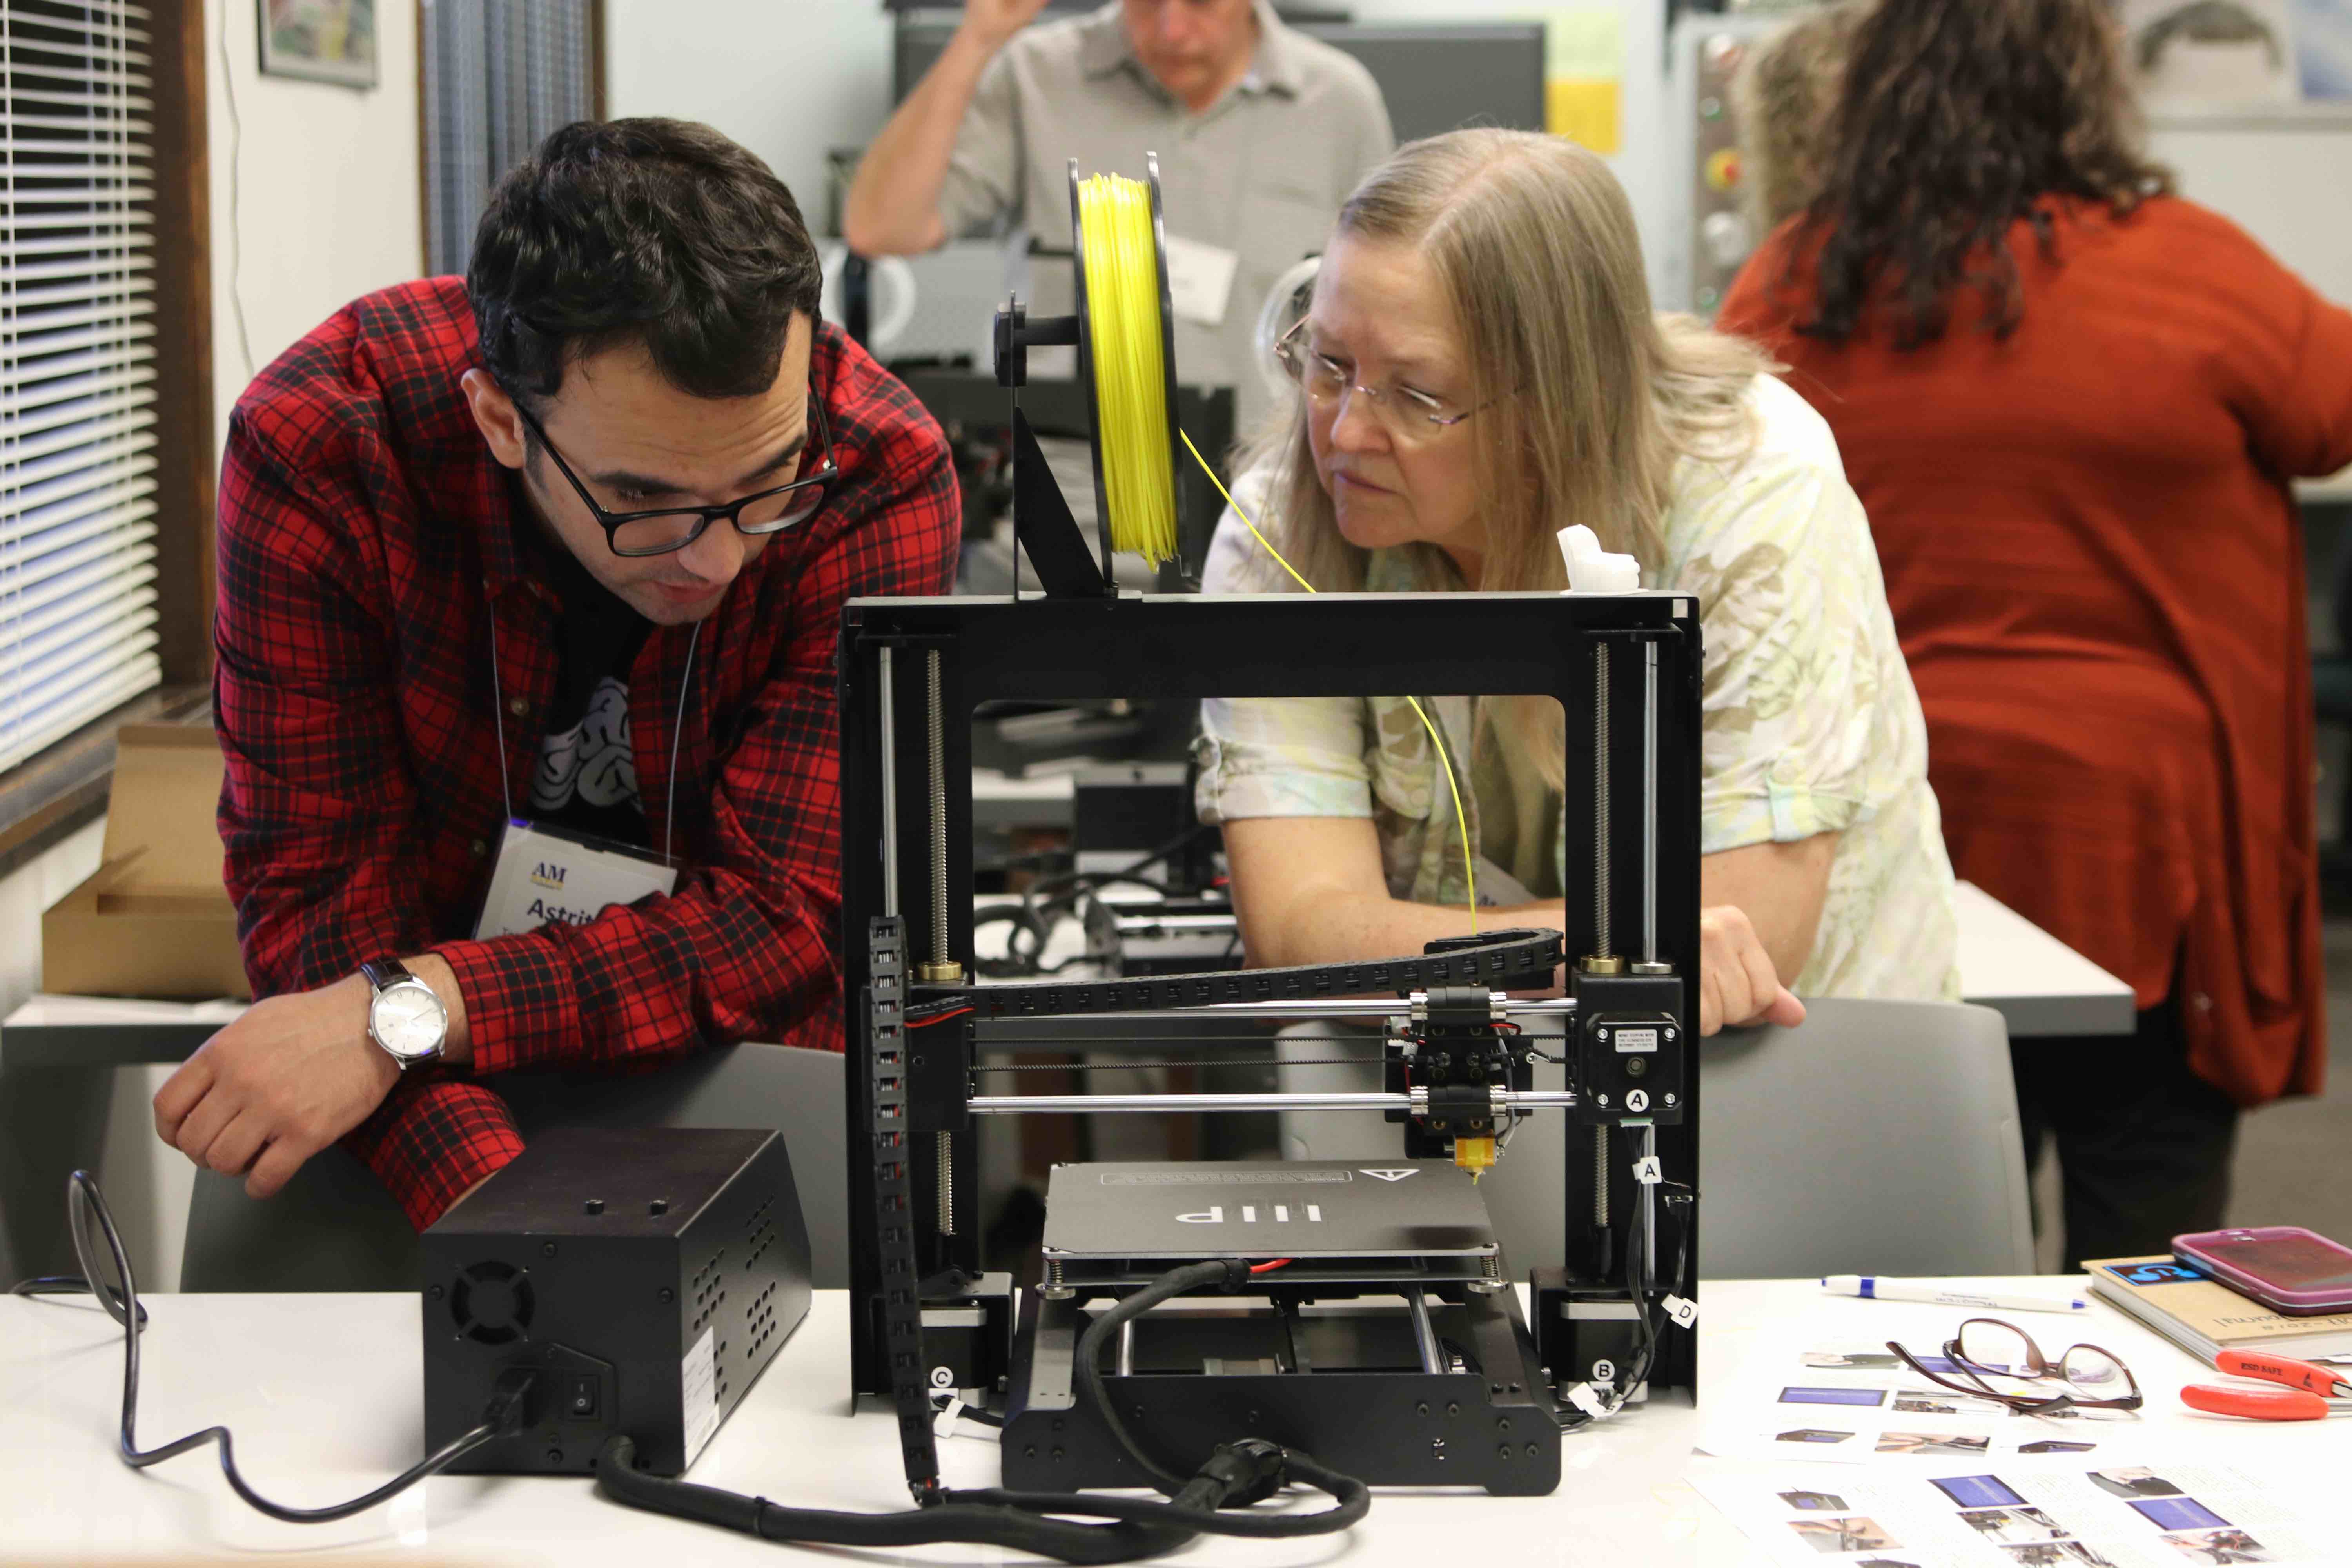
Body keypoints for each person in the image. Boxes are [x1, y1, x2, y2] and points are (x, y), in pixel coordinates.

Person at [151, 120, 960, 1230]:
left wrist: (419, 1006)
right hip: (418, 1113)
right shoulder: (330, 449)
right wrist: (525, 1222)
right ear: (499, 418)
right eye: (640, 501)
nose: (716, 556)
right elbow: (320, 902)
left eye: (765, 485)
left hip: (753, 1087)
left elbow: (787, 917)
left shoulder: (876, 465)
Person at [1719, 0, 2352, 1267]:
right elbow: (2331, 414)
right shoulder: (2192, 269)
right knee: (2154, 1268)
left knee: (1898, 1273)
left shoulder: (1799, 275)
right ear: (2085, 86)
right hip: (2144, 859)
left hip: (1889, 851)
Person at [1197, 128, 1961, 1039]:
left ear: (1555, 401)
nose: (1345, 436)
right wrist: (1609, 944)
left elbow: (1754, 940)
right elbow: (1296, 932)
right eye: (1328, 365)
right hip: (1441, 1068)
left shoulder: (1750, 486)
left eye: (1417, 395)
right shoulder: (1283, 523)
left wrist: (1414, 947)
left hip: (1788, 1069)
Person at [844, 0, 1392, 421]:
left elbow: (1378, 316)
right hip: (1059, 504)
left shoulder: (1340, 101)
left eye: (1201, 3)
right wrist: (979, 37)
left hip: (1260, 504)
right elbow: (880, 227)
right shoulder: (1037, 73)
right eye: (1146, 2)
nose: (1172, 30)